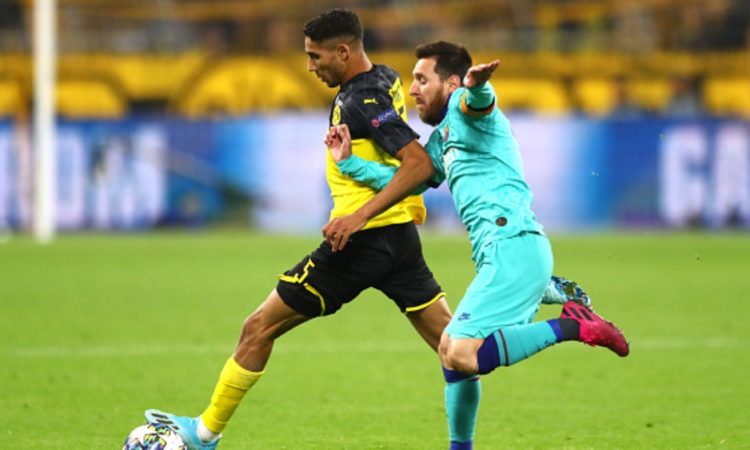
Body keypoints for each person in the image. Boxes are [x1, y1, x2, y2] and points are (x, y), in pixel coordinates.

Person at [145, 10, 592, 449]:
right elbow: (411, 166)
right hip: (400, 242)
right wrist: (351, 163)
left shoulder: (366, 99)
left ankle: (204, 434)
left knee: (258, 328)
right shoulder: (385, 79)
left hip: (359, 243)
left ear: (343, 52)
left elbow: (418, 163)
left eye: (316, 56)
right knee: (457, 351)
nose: (310, 66)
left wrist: (357, 216)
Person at [324, 41, 630, 450]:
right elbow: (405, 181)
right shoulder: (443, 140)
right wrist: (348, 163)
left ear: (451, 83)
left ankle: (573, 324)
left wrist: (479, 85)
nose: (412, 90)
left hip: (513, 245)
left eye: (422, 80)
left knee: (464, 354)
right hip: (500, 254)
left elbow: (479, 103)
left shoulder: (466, 106)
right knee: (449, 352)